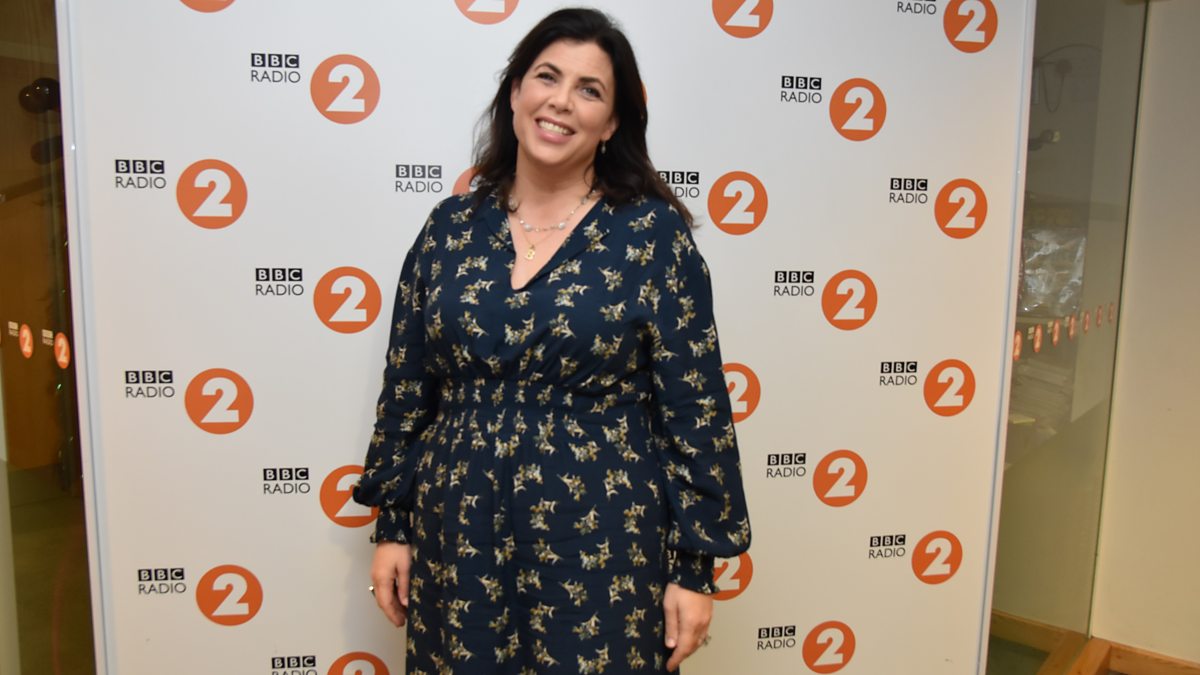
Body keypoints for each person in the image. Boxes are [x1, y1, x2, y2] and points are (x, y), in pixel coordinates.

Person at [353, 7, 750, 673]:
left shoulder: (651, 237)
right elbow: (408, 388)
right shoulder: (449, 228)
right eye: (546, 76)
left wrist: (693, 567)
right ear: (515, 92)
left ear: (612, 122)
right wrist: (393, 524)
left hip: (601, 545)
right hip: (458, 537)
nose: (561, 101)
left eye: (589, 90)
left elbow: (695, 409)